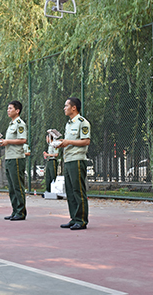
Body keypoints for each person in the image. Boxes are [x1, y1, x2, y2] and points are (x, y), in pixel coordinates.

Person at [56, 97, 90, 230]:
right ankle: (74, 218)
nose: (64, 108)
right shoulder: (69, 124)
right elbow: (69, 141)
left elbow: (86, 141)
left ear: (73, 107)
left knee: (78, 190)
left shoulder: (82, 122)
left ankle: (81, 220)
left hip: (77, 159)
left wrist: (68, 142)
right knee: (69, 191)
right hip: (68, 159)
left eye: (66, 106)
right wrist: (61, 143)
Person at [0, 100, 27, 221]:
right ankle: (15, 210)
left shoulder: (20, 124)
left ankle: (21, 212)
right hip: (9, 157)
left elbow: (22, 140)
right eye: (8, 108)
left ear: (17, 110)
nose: (8, 110)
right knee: (11, 187)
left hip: (16, 158)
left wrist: (7, 142)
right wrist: (3, 142)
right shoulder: (11, 124)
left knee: (17, 186)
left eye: (10, 108)